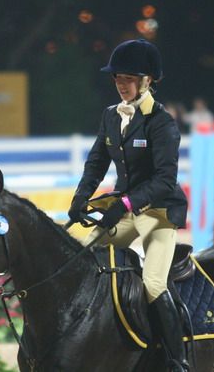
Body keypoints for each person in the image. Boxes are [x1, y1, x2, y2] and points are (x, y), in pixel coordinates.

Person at [68, 39, 189, 371]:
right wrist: (80, 198)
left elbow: (165, 179)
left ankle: (178, 360)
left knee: (152, 283)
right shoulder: (110, 116)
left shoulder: (161, 122)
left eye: (129, 79)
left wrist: (124, 202)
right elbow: (95, 164)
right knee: (79, 259)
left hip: (159, 213)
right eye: (118, 78)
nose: (122, 85)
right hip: (125, 210)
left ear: (146, 81)